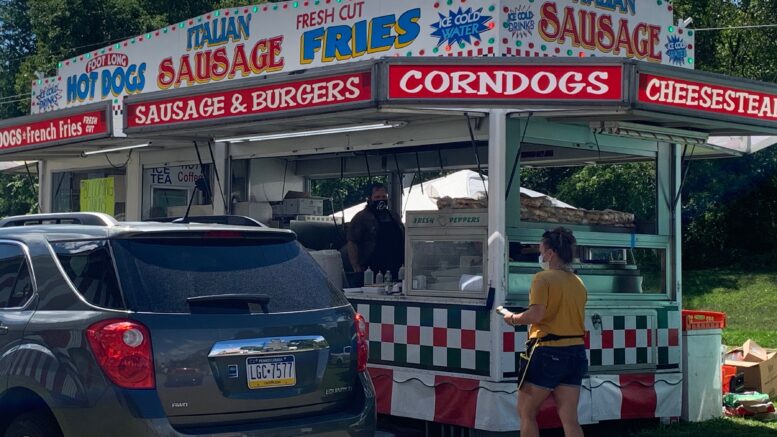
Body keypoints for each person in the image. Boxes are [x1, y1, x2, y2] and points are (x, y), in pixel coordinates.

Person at [501, 227, 588, 437]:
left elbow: (536, 315)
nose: (539, 255)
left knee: (526, 412)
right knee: (570, 418)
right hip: (576, 351)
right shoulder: (578, 282)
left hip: (548, 351)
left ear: (550, 253)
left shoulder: (542, 278)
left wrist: (512, 318)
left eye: (541, 250)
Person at [346, 183, 405, 280]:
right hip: (371, 269)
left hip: (396, 267)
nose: (381, 199)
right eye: (377, 197)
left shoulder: (394, 216)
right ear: (370, 198)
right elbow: (352, 241)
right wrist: (355, 265)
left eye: (383, 196)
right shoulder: (361, 217)